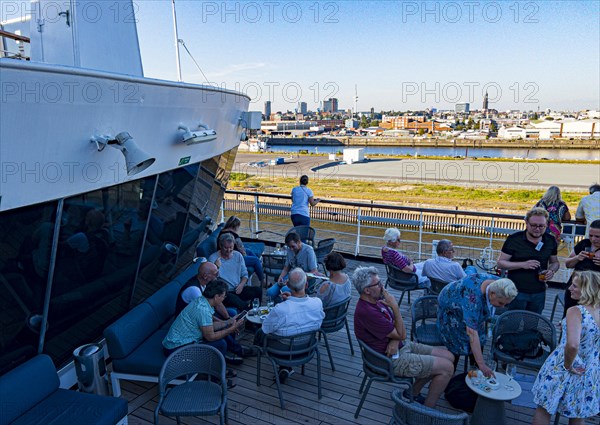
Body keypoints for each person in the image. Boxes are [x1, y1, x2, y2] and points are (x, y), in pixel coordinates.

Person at [352, 266, 454, 408]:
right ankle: (427, 411)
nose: (382, 286)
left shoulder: (377, 301)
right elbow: (402, 333)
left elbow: (395, 329)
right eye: (378, 284)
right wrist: (395, 307)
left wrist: (395, 339)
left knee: (449, 356)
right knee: (447, 368)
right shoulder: (368, 311)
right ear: (367, 290)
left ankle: (413, 392)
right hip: (389, 360)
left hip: (398, 346)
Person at [532, 270, 600, 425]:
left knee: (544, 409)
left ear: (587, 289)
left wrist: (568, 365)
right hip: (589, 371)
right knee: (577, 414)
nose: (569, 288)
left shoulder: (575, 311)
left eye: (575, 286)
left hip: (564, 366)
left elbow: (573, 344)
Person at [162, 279, 246, 387]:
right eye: (223, 296)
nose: (224, 299)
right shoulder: (203, 310)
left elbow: (209, 327)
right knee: (220, 344)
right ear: (216, 297)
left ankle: (219, 369)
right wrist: (231, 329)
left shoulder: (202, 301)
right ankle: (216, 379)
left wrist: (228, 323)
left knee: (221, 336)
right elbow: (210, 337)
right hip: (176, 348)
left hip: (181, 341)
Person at [175, 262, 256, 361]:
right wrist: (225, 324)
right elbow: (205, 313)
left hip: (198, 316)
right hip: (189, 323)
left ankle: (230, 349)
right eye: (215, 274)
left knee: (230, 315)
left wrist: (227, 319)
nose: (218, 276)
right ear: (205, 276)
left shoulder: (205, 283)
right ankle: (230, 352)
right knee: (222, 328)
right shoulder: (194, 290)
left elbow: (216, 303)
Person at [437, 275, 518, 375]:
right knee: (458, 342)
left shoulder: (500, 284)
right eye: (501, 303)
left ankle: (474, 370)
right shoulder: (472, 299)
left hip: (467, 301)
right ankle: (449, 373)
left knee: (480, 339)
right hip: (451, 307)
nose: (502, 307)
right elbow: (472, 333)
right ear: (492, 294)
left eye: (506, 304)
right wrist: (482, 364)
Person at [256, 268, 325, 383]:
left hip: (283, 351)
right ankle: (285, 368)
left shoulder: (281, 309)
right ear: (306, 284)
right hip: (307, 348)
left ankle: (258, 351)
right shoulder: (317, 303)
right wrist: (291, 300)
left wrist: (287, 302)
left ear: (287, 285)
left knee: (260, 332)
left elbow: (266, 328)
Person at [497, 207, 559, 314]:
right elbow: (500, 263)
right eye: (533, 225)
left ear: (547, 225)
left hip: (539, 292)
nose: (537, 229)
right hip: (516, 291)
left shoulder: (550, 240)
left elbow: (555, 262)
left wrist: (551, 271)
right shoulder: (514, 239)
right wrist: (523, 264)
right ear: (526, 223)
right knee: (513, 323)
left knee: (532, 324)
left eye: (541, 226)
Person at [208, 233, 262, 312]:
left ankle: (253, 315)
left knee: (258, 291)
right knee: (240, 303)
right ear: (220, 245)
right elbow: (211, 281)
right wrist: (217, 267)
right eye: (226, 248)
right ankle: (249, 315)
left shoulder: (238, 255)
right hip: (225, 292)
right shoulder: (213, 258)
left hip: (239, 288)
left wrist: (241, 284)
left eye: (231, 247)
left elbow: (245, 274)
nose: (229, 250)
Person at [267, 231, 320, 299]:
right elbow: (286, 268)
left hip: (302, 281)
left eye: (293, 246)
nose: (291, 249)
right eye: (289, 247)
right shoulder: (290, 250)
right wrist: (281, 277)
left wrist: (293, 280)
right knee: (270, 292)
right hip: (289, 278)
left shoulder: (308, 251)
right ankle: (277, 307)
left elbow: (314, 272)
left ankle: (286, 306)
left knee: (284, 290)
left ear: (298, 242)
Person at [563, 219, 600, 316]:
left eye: (597, 236)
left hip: (595, 293)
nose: (593, 239)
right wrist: (577, 258)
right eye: (591, 235)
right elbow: (567, 264)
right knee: (568, 316)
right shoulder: (584, 244)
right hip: (574, 289)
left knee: (591, 320)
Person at [219, 216, 265, 285]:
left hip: (230, 252)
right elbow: (242, 251)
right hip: (232, 257)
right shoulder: (234, 235)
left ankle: (258, 268)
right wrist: (245, 256)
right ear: (236, 226)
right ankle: (263, 280)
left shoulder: (222, 232)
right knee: (255, 260)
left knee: (249, 251)